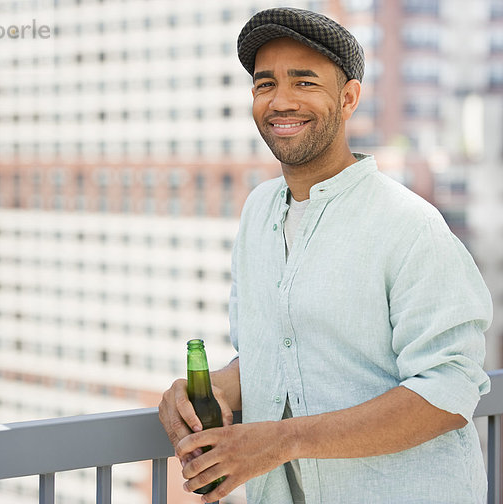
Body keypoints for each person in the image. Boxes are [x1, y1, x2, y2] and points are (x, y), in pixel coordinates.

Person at [158, 7, 493, 504]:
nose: (281, 102)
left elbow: (449, 392)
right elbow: (277, 353)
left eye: (305, 82)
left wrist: (280, 442)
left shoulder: (410, 225)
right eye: (265, 84)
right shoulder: (257, 213)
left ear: (349, 97)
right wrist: (213, 389)